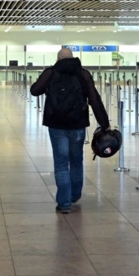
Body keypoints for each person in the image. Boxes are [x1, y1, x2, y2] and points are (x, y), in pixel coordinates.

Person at [29, 47, 110, 213]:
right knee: (76, 160)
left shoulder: (51, 72)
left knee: (61, 163)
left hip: (56, 124)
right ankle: (74, 195)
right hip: (77, 124)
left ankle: (64, 203)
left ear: (58, 58)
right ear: (73, 57)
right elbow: (94, 99)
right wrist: (104, 123)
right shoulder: (83, 74)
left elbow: (35, 91)